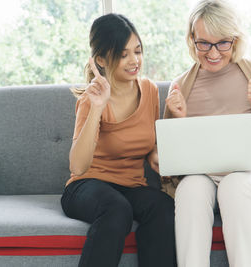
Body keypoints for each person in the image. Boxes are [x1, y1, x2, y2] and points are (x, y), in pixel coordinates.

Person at [155, 0, 251, 266]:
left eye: (222, 43)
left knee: (235, 185)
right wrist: (179, 120)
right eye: (204, 43)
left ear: (235, 40)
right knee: (189, 188)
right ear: (192, 40)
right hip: (205, 179)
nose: (213, 53)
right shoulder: (181, 85)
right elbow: (173, 166)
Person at [60, 13, 176, 267]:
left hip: (132, 185)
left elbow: (146, 143)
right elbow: (77, 167)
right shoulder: (90, 99)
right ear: (101, 59)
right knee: (116, 209)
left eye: (138, 51)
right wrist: (97, 108)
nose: (135, 61)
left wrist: (159, 155)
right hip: (86, 186)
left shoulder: (150, 90)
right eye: (124, 55)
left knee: (164, 208)